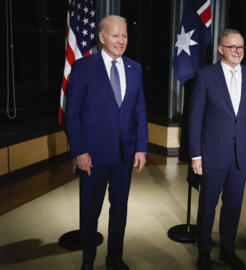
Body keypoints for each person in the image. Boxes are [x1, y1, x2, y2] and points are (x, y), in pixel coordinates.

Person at [65, 15, 148, 270]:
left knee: (119, 211)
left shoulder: (135, 69)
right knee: (90, 214)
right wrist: (80, 152)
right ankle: (88, 262)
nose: (121, 41)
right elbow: (73, 115)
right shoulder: (83, 68)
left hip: (125, 155)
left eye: (124, 35)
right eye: (115, 35)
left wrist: (142, 148)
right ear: (101, 38)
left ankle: (114, 259)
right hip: (93, 156)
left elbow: (140, 112)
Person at [188, 28, 246, 270]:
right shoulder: (205, 76)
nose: (237, 51)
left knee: (233, 206)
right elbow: (195, 119)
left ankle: (228, 251)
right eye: (232, 47)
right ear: (221, 49)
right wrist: (195, 155)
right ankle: (204, 251)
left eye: (241, 47)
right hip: (212, 154)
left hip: (242, 155)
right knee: (207, 206)